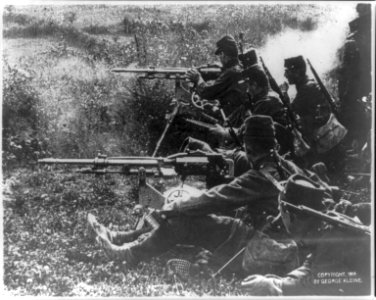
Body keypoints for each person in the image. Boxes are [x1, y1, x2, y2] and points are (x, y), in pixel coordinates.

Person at [87, 115, 335, 274]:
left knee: (183, 217)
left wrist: (174, 208)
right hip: (276, 237)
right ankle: (124, 236)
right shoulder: (286, 166)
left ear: (249, 146)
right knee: (189, 208)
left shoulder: (260, 177)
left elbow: (217, 197)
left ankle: (129, 254)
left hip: (260, 242)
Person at [241, 174, 371, 296]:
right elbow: (310, 267)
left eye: (281, 212)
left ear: (290, 215)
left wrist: (273, 285)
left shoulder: (333, 237)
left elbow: (314, 286)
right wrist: (273, 282)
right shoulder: (324, 230)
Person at [283, 55, 346, 172]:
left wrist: (284, 94)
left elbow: (290, 111)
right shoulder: (308, 85)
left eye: (288, 71)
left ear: (298, 71)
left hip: (324, 144)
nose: (285, 75)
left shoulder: (307, 88)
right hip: (327, 138)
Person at [186, 35, 248, 128]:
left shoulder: (231, 72)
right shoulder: (240, 68)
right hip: (239, 115)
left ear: (223, 54)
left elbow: (207, 92)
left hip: (235, 120)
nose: (219, 58)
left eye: (219, 55)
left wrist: (198, 79)